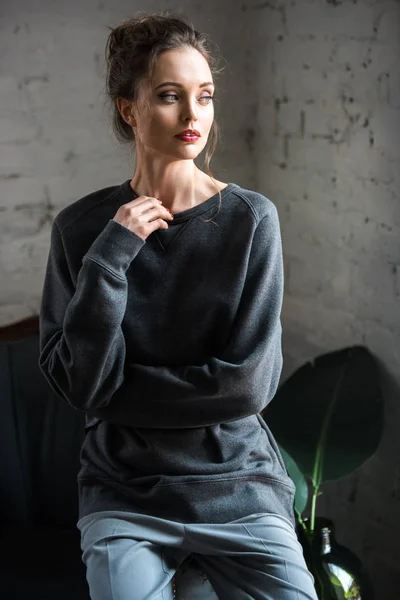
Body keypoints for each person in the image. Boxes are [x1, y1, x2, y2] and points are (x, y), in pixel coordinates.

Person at [38, 10, 318, 600]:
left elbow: (247, 387)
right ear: (128, 109)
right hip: (125, 492)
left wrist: (120, 395)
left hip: (237, 485)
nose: (194, 116)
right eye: (170, 96)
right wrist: (111, 257)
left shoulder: (250, 221)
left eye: (205, 96)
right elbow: (79, 383)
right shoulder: (81, 229)